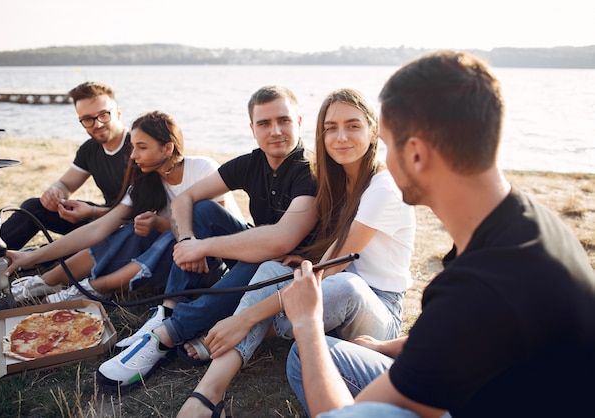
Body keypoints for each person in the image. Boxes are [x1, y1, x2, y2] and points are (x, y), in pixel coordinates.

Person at [283, 50, 595, 418]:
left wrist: (306, 325)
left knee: (307, 352)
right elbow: (473, 335)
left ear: (415, 155)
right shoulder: (525, 222)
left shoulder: (477, 289)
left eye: (388, 144)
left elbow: (342, 416)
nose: (385, 161)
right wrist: (390, 348)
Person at [176, 88, 416, 417]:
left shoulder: (383, 189)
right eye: (330, 128)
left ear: (373, 130)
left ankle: (240, 328)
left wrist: (244, 318)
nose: (341, 137)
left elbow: (332, 267)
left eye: (353, 126)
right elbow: (326, 254)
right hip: (335, 293)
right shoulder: (336, 183)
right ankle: (207, 393)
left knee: (345, 287)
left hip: (377, 311)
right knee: (274, 268)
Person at [95, 85, 318, 389]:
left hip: (297, 265)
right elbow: (184, 200)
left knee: (264, 256)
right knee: (202, 210)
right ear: (252, 129)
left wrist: (203, 246)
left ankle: (166, 336)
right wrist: (187, 241)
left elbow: (280, 242)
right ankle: (168, 310)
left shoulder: (309, 170)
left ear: (299, 122)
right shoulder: (252, 162)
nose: (275, 131)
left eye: (284, 120)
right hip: (262, 249)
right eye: (264, 123)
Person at [4, 110, 242, 303]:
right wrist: (32, 257)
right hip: (179, 258)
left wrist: (162, 224)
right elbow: (96, 230)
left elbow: (212, 226)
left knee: (169, 237)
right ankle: (48, 280)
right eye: (132, 147)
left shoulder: (202, 169)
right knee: (128, 231)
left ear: (167, 148)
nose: (133, 155)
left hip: (213, 261)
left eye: (142, 147)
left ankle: (95, 288)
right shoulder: (146, 181)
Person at [0, 81, 131, 280]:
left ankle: (34, 257)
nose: (97, 124)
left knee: (81, 248)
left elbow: (145, 212)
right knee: (33, 207)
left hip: (128, 229)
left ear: (119, 112)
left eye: (104, 115)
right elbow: (66, 184)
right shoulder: (90, 149)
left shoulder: (138, 147)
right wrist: (56, 192)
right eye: (87, 119)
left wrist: (92, 212)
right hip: (101, 220)